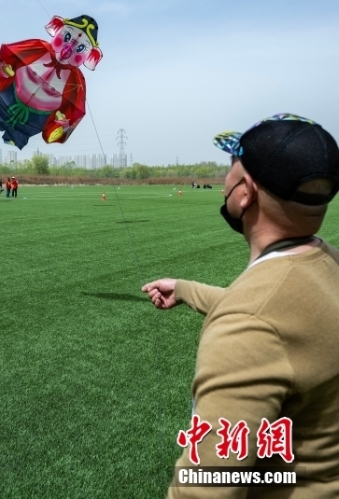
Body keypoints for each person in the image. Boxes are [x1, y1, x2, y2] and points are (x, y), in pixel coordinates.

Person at [142, 113, 339, 498]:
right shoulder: (327, 262)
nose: (223, 182)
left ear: (245, 192)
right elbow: (286, 319)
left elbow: (206, 488)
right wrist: (184, 288)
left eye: (232, 166)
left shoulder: (249, 323)